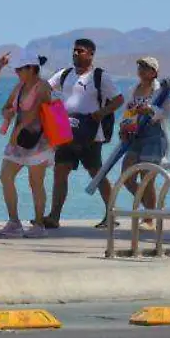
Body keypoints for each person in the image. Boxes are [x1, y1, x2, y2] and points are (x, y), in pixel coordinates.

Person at [43, 38, 124, 229]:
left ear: (91, 54)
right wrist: (52, 110)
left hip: (89, 133)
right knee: (60, 172)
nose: (75, 54)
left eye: (80, 51)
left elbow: (118, 100)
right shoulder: (65, 74)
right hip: (65, 130)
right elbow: (45, 88)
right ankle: (54, 216)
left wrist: (100, 113)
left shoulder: (99, 76)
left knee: (97, 174)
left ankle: (111, 214)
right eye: (74, 51)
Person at [0, 51, 54, 238]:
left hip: (38, 141)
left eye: (20, 69)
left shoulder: (43, 87)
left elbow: (37, 111)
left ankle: (39, 224)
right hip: (19, 140)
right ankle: (14, 221)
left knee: (35, 182)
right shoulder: (19, 86)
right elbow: (6, 106)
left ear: (31, 68)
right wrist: (7, 113)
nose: (17, 72)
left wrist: (19, 128)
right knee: (6, 176)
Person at [117, 57, 170, 226]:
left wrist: (150, 110)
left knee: (147, 179)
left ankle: (149, 217)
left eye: (146, 67)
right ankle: (151, 208)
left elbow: (166, 113)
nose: (141, 69)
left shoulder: (161, 91)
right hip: (135, 136)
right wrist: (123, 127)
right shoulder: (133, 90)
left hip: (154, 136)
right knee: (127, 177)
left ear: (154, 72)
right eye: (140, 66)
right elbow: (127, 111)